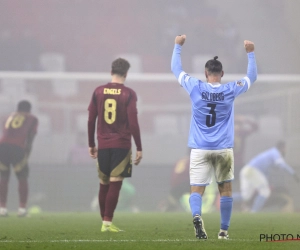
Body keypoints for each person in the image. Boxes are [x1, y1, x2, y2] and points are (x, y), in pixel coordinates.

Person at [171, 35, 257, 240]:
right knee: (225, 189)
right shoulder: (230, 90)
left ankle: (197, 217)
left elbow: (176, 69)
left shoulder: (195, 86)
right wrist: (251, 53)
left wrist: (177, 46)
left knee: (196, 190)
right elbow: (251, 77)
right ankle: (223, 231)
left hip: (199, 148)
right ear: (222, 73)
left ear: (205, 73)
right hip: (223, 149)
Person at [87, 58, 142, 233]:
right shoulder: (129, 93)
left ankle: (105, 223)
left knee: (103, 184)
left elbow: (90, 120)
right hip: (121, 144)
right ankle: (107, 224)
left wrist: (91, 143)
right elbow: (133, 123)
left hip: (103, 144)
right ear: (126, 74)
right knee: (115, 184)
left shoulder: (98, 91)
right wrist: (139, 147)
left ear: (111, 72)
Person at [233, 141, 299, 213]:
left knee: (245, 196)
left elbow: (265, 172)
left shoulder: (270, 153)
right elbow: (282, 165)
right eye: (285, 148)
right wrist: (293, 174)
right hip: (253, 171)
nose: (286, 151)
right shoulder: (275, 152)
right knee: (265, 191)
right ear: (282, 148)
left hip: (247, 170)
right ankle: (253, 213)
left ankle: (225, 199)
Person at [0, 100, 38, 217]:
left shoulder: (7, 117)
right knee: (22, 176)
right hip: (17, 148)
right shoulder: (32, 118)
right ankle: (21, 209)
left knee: (3, 176)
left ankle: (2, 208)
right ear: (29, 109)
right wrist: (27, 154)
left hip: (2, 147)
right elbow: (30, 138)